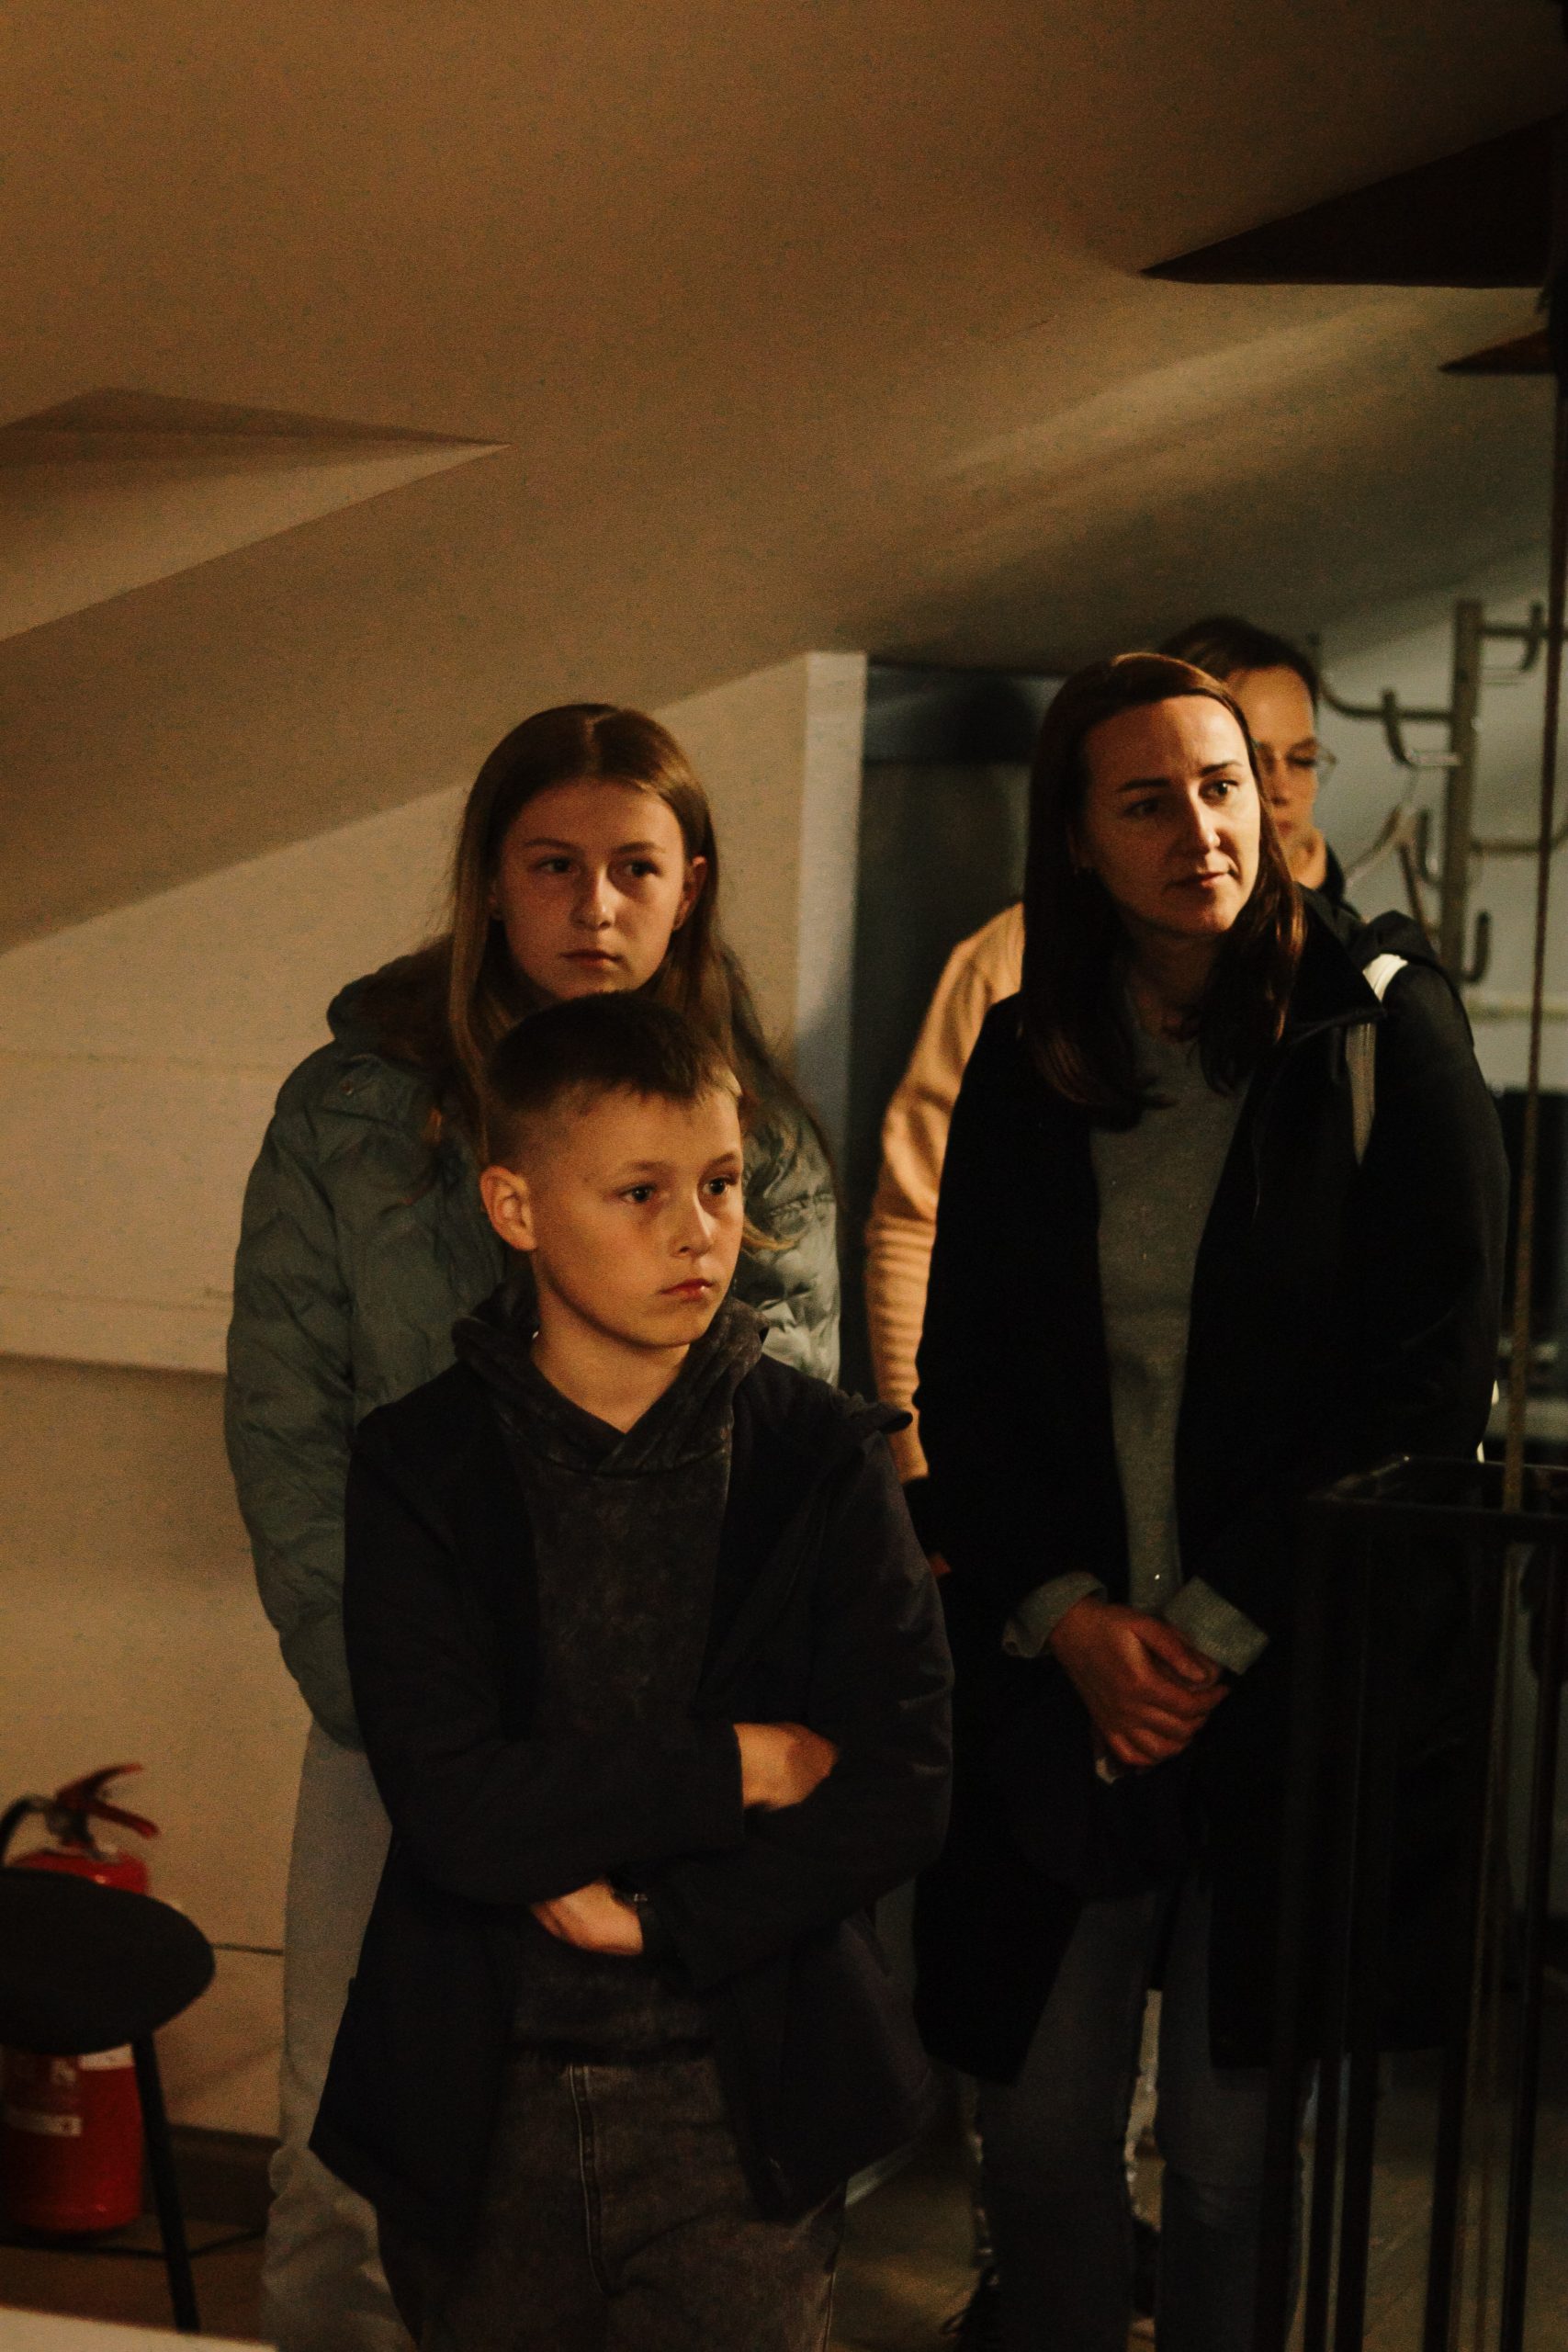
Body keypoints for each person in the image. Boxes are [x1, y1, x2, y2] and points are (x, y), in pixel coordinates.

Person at [225, 706, 840, 2352]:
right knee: (342, 2160)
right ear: (490, 883)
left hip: (664, 1739)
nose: (593, 907)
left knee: (682, 2166)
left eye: (633, 868)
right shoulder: (354, 1111)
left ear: (690, 885)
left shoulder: (753, 1131)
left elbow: (795, 1457)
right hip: (406, 1720)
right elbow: (286, 1429)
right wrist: (406, 1726)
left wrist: (674, 1764)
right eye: (552, 866)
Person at [910, 653, 1506, 2352]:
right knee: (1039, 2140)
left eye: (1223, 786)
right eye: (1146, 801)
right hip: (1071, 1674)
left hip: (1288, 1674)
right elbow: (966, 1371)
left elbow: (1425, 1380)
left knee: (1234, 2163)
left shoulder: (1374, 1021)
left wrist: (1209, 1632)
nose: (1200, 831)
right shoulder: (1032, 1050)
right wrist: (1066, 1620)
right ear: (1076, 840)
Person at [309, 992, 953, 2350]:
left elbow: (901, 1785)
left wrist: (664, 1923)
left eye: (719, 1184)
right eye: (640, 1192)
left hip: (743, 2102)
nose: (696, 1231)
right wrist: (739, 1765)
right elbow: (456, 1807)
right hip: (484, 2107)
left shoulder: (818, 1460)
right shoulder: (421, 1466)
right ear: (515, 1206)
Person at [865, 616, 1342, 1494]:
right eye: (1155, 797)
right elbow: (919, 1222)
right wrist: (927, 1471)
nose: (1278, 789)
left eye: (1298, 760)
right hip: (1069, 1475)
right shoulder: (1016, 972)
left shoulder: (1365, 985)